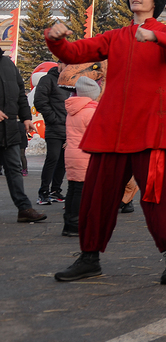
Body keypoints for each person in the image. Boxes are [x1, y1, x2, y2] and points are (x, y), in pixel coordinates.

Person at [48, 0, 166, 283]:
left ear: (155, 2)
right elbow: (74, 53)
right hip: (112, 129)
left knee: (160, 197)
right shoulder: (115, 36)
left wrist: (154, 36)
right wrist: (57, 40)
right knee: (97, 196)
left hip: (152, 128)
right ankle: (89, 257)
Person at [0, 46, 43, 223]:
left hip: (9, 129)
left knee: (14, 169)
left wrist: (26, 118)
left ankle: (24, 208)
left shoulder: (8, 64)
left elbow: (20, 94)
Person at [62, 76, 102, 237]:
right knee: (81, 191)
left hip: (72, 153)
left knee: (72, 189)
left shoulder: (73, 110)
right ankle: (76, 224)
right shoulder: (91, 112)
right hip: (85, 155)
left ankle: (68, 223)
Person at [33, 62, 68, 206]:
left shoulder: (70, 81)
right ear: (60, 64)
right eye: (66, 64)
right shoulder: (48, 79)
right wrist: (53, 118)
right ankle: (44, 192)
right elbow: (40, 101)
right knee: (52, 158)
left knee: (63, 161)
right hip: (54, 127)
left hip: (68, 128)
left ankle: (55, 191)